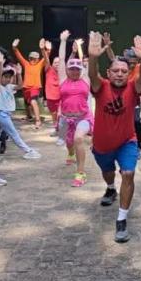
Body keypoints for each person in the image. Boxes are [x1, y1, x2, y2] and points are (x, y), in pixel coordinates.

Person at [88, 31, 141, 243]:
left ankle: (121, 219)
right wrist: (93, 57)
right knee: (108, 173)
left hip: (126, 142)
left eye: (124, 70)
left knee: (129, 173)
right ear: (109, 72)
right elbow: (92, 75)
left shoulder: (134, 88)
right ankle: (111, 189)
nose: (120, 74)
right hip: (102, 145)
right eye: (116, 71)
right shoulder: (100, 87)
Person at [57, 30, 94, 187]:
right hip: (66, 118)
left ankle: (80, 173)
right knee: (69, 142)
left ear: (81, 70)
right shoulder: (63, 79)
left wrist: (92, 42)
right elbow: (62, 59)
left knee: (79, 139)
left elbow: (92, 61)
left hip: (83, 117)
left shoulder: (85, 79)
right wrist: (63, 41)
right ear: (67, 70)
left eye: (77, 69)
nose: (74, 71)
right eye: (71, 68)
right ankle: (71, 152)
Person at [0, 50, 41, 159]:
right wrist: (0, 64)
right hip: (2, 115)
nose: (7, 79)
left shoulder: (10, 87)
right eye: (5, 77)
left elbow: (20, 86)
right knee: (14, 134)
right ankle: (28, 150)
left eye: (9, 77)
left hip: (4, 115)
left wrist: (19, 74)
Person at [12, 38, 46, 129]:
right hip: (26, 86)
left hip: (35, 87)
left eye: (34, 58)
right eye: (31, 58)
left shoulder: (40, 64)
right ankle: (29, 116)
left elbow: (46, 56)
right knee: (27, 103)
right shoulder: (26, 64)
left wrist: (46, 49)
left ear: (38, 59)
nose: (32, 60)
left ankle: (38, 120)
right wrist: (14, 47)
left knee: (33, 101)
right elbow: (18, 55)